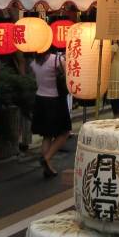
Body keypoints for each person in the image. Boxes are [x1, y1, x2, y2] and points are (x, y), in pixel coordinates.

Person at [30, 46, 71, 178]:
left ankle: (48, 167)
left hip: (40, 99)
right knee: (64, 132)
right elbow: (68, 77)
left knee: (47, 135)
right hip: (56, 101)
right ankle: (46, 158)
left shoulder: (34, 63)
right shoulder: (57, 60)